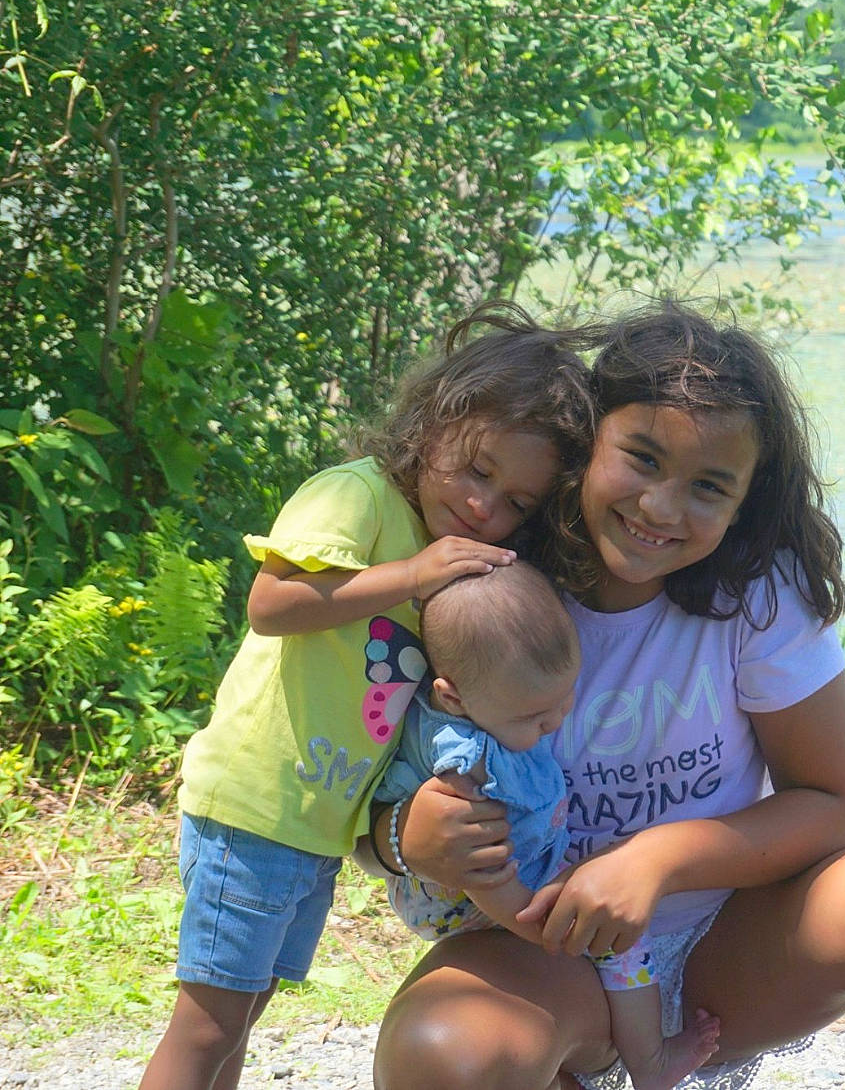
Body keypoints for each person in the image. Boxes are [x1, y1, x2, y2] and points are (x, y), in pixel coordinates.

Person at [366, 300, 845, 1090]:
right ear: (587, 442)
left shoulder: (758, 595)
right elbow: (339, 793)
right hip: (542, 949)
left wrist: (656, 860)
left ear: (745, 502)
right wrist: (400, 837)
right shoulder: (481, 583)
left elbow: (836, 806)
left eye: (709, 486)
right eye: (643, 457)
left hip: (722, 950)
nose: (661, 507)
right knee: (445, 1052)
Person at [139, 304, 593, 1090]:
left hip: (316, 817)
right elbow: (271, 602)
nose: (487, 507)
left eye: (518, 501)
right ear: (431, 423)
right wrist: (410, 577)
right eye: (477, 470)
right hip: (257, 803)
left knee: (239, 1013)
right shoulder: (359, 496)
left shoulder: (446, 548)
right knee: (207, 1022)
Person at [371, 561, 721, 1090]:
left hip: (508, 880)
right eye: (534, 717)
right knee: (619, 944)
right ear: (452, 697)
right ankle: (651, 1063)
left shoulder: (491, 703)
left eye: (565, 700)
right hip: (481, 899)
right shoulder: (467, 766)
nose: (554, 721)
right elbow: (476, 868)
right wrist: (539, 929)